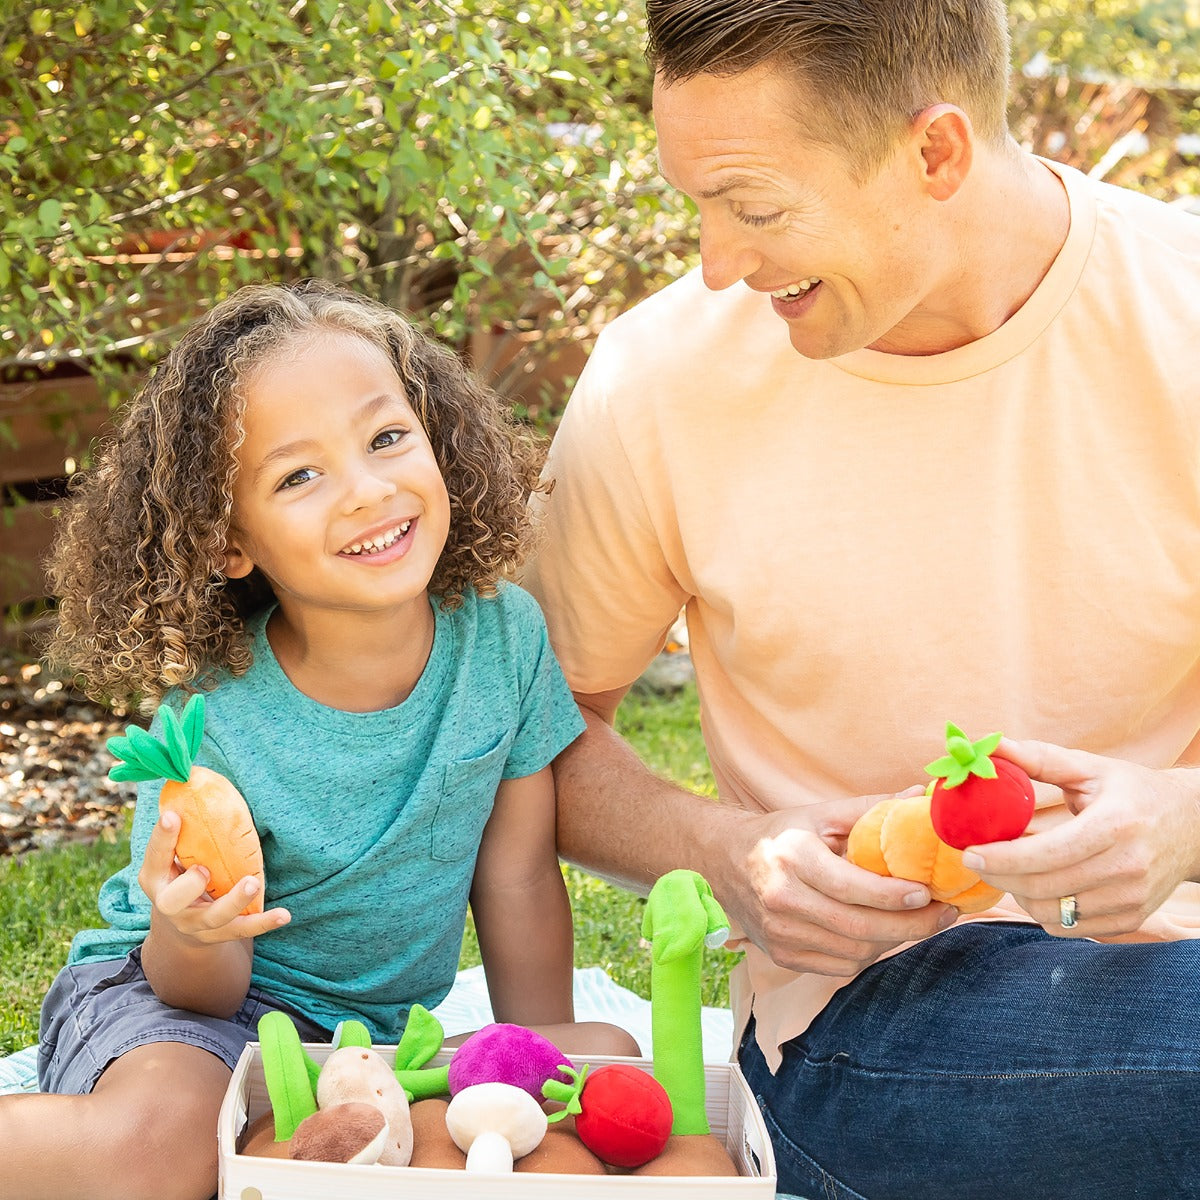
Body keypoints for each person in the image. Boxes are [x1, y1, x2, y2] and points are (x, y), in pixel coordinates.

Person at [521, 2, 1200, 1197]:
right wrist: (726, 852)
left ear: (934, 152)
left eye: (756, 208)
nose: (717, 263)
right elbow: (529, 737)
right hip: (874, 1015)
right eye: (697, 203)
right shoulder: (658, 382)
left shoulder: (1181, 312)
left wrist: (1184, 819)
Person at [4, 280, 639, 1200]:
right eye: (299, 476)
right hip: (186, 1012)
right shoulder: (216, 716)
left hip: (365, 1040)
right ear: (229, 541)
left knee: (602, 1064)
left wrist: (526, 1063)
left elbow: (518, 877)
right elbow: (199, 986)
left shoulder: (504, 640)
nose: (369, 491)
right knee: (168, 1147)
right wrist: (191, 929)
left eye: (387, 438)